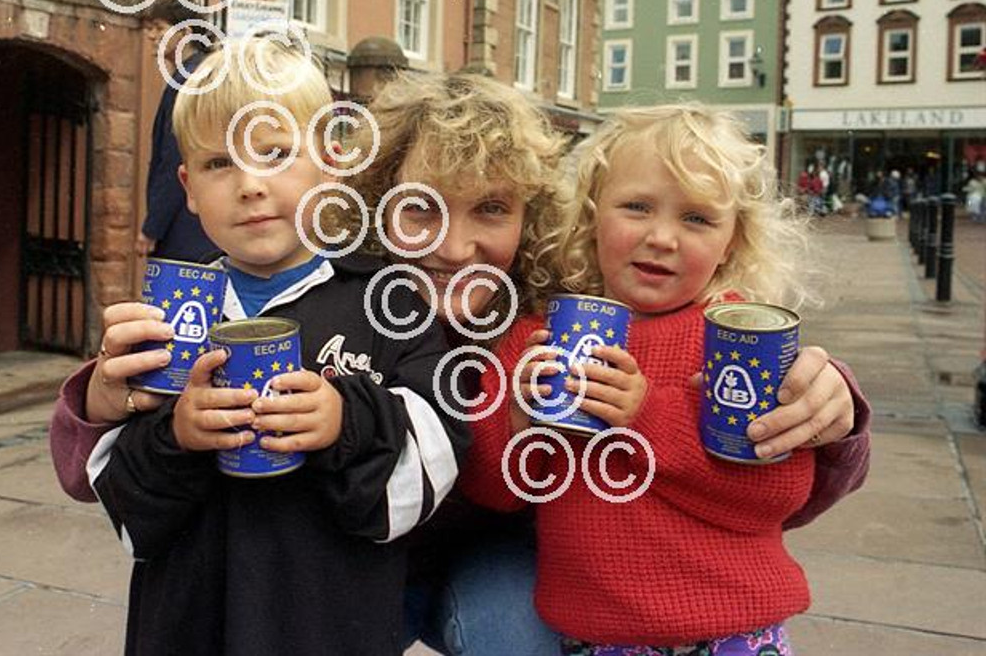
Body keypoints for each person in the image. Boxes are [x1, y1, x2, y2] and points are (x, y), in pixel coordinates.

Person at [51, 73, 870, 656]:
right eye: (423, 209)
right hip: (334, 584)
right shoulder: (341, 299)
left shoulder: (554, 314)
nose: (452, 247)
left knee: (502, 610)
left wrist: (835, 417)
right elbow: (102, 466)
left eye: (491, 210)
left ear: (537, 219)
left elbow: (778, 482)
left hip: (495, 577)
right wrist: (95, 395)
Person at [71, 35, 465, 656]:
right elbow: (128, 514)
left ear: (330, 162)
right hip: (188, 628)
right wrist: (177, 434)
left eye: (276, 152)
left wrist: (346, 420)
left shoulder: (388, 305)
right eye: (219, 164)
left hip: (330, 626)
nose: (251, 184)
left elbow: (429, 474)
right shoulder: (168, 320)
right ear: (188, 187)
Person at [460, 103, 825, 653]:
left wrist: (644, 416)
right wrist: (517, 419)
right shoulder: (538, 340)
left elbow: (775, 495)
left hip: (733, 630)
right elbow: (493, 491)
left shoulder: (739, 344)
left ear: (734, 240)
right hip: (597, 636)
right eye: (636, 207)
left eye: (697, 219)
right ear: (590, 216)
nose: (662, 237)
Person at [134, 15, 217, 262]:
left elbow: (175, 157)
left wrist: (153, 227)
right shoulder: (206, 74)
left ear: (185, 32)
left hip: (183, 229)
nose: (151, 35)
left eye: (159, 27)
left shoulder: (187, 82)